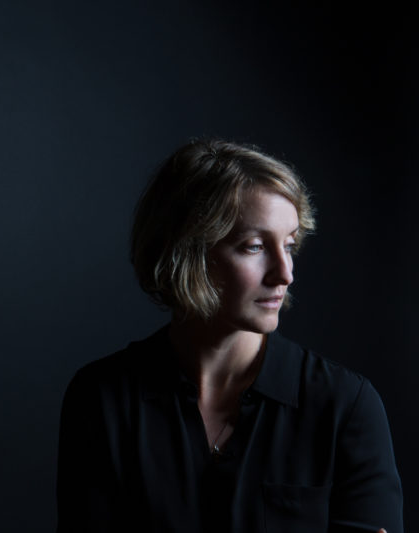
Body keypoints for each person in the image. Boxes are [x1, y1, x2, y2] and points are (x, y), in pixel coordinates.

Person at [56, 139, 402, 533]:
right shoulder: (103, 400)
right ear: (187, 255)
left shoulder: (345, 407)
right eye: (254, 247)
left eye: (289, 245)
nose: (285, 274)